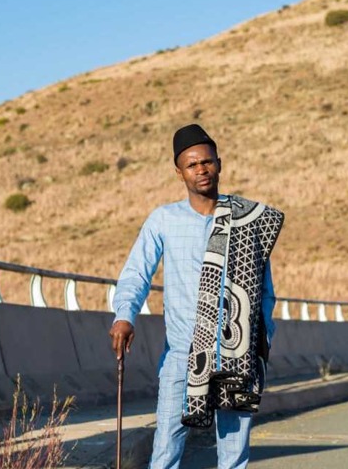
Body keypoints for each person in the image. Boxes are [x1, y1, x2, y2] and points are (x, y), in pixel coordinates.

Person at [109, 123, 284, 469]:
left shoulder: (245, 220)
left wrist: (262, 340)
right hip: (181, 355)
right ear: (180, 172)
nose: (201, 169)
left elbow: (265, 291)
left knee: (234, 454)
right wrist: (124, 315)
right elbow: (137, 273)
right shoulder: (163, 220)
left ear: (219, 164)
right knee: (166, 449)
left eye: (207, 162)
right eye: (192, 165)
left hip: (237, 353)